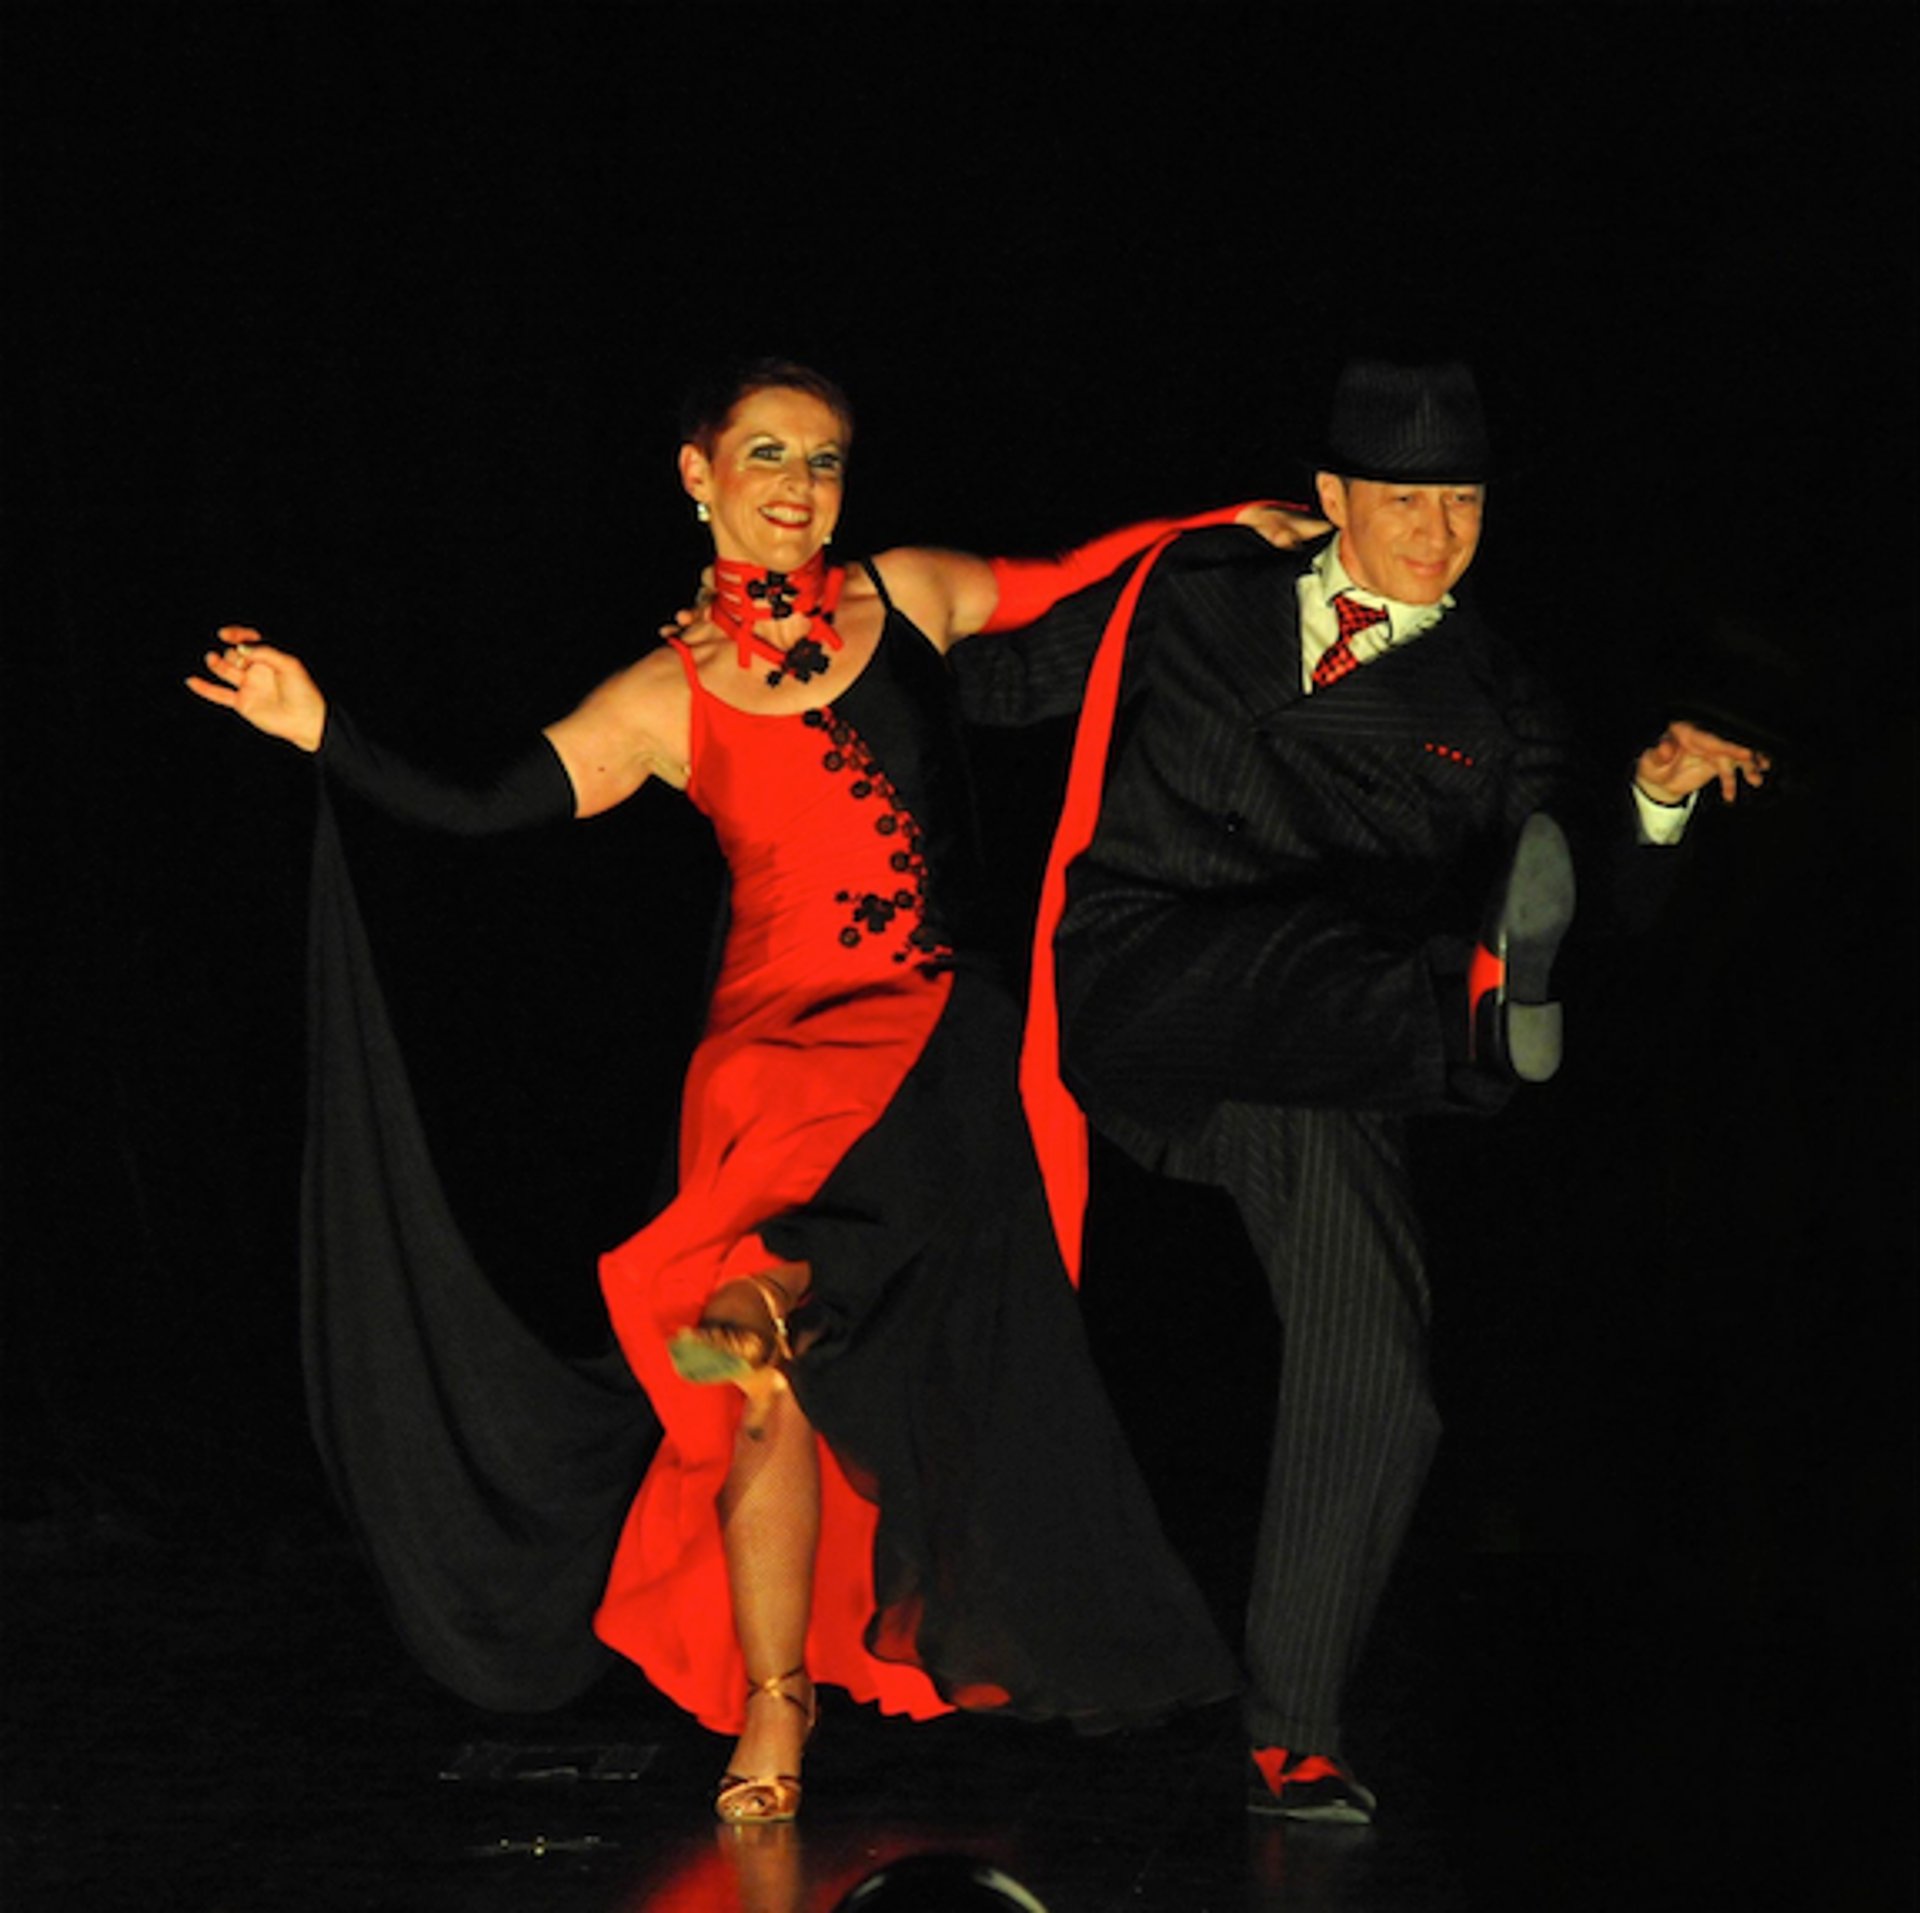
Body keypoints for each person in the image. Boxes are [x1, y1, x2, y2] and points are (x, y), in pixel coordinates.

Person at [187, 358, 1323, 1822]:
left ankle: (781, 1464)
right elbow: (476, 807)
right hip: (771, 1075)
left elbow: (1071, 578)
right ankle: (775, 1698)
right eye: (768, 453)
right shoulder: (664, 694)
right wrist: (319, 729)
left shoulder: (907, 595)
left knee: (838, 1358)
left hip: (935, 1054)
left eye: (825, 458)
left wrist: (1216, 526)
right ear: (699, 474)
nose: (799, 484)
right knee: (757, 1380)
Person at [982, 358, 1769, 1822]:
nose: (1436, 533)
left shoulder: (1497, 695)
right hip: (1152, 988)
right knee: (1364, 968)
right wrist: (805, 634)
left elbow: (1591, 899)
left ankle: (1293, 1730)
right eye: (1405, 501)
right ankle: (1460, 1013)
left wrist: (1656, 798)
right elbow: (1001, 674)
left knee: (1384, 1378)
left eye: (1462, 502)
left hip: (1319, 1062)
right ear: (1334, 497)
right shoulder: (1196, 592)